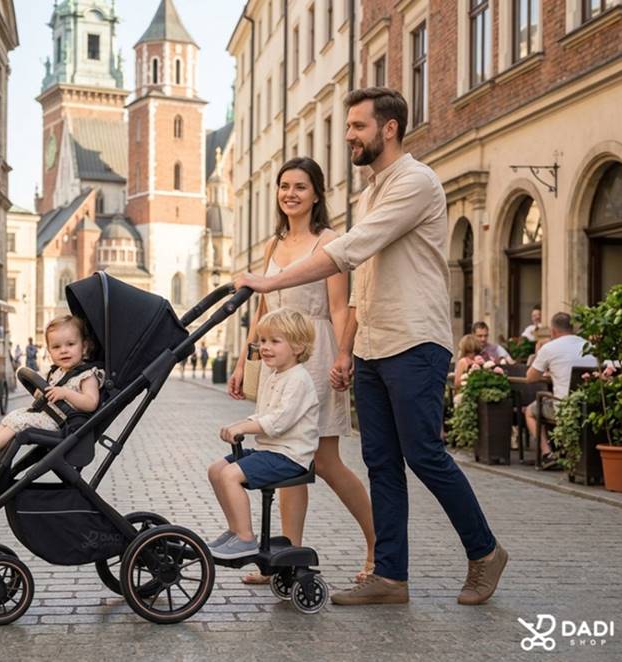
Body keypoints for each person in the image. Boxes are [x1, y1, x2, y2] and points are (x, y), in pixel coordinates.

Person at [237, 87, 506, 607]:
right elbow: (363, 281)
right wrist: (350, 348)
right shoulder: (371, 190)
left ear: (389, 128)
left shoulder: (415, 182)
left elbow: (351, 250)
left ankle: (485, 551)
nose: (349, 137)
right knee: (381, 461)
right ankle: (390, 576)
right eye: (348, 127)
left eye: (357, 127)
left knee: (424, 454)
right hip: (376, 344)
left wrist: (271, 282)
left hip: (415, 339)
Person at [228, 156, 375, 584]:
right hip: (276, 359)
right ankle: (285, 560)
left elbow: (339, 308)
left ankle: (377, 547)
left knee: (326, 461)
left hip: (315, 354)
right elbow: (262, 307)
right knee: (283, 459)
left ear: (316, 194)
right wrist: (244, 360)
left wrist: (344, 356)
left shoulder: (330, 241)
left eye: (300, 187)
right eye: (284, 186)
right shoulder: (272, 245)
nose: (290, 194)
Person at [207, 308, 319, 559]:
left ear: (298, 347)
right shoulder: (274, 375)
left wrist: (244, 428)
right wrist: (241, 423)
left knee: (230, 475)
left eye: (274, 341)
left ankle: (246, 539)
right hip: (270, 451)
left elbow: (279, 421)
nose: (265, 347)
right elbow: (263, 414)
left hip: (290, 457)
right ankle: (236, 530)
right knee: (216, 470)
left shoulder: (299, 380)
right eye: (263, 341)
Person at [0, 315, 103, 465]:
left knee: (20, 421)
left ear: (84, 347)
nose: (63, 351)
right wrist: (42, 393)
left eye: (70, 344)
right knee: (15, 415)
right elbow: (51, 392)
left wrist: (65, 393)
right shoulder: (58, 372)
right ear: (49, 351)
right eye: (56, 347)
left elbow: (91, 403)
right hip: (49, 417)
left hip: (64, 425)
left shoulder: (87, 375)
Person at [525, 312, 597, 468]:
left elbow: (530, 377)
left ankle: (547, 454)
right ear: (572, 328)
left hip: (563, 407)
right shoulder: (589, 346)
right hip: (590, 406)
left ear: (553, 331)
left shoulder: (550, 348)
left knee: (530, 412)